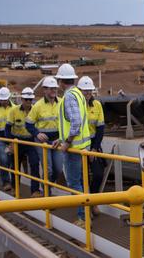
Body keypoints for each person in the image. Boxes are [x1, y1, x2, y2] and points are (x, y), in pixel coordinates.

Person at [54, 63, 91, 227]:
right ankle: (87, 212)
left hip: (74, 149)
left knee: (75, 184)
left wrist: (67, 143)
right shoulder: (78, 94)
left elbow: (75, 123)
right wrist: (61, 139)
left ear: (61, 81)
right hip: (82, 147)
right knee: (82, 183)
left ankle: (83, 218)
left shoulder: (69, 96)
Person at [26, 76, 64, 192]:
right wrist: (37, 134)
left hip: (57, 140)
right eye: (50, 88)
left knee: (58, 168)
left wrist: (62, 137)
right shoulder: (37, 106)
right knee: (48, 169)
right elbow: (28, 124)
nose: (54, 90)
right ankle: (47, 193)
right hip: (43, 141)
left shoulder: (62, 102)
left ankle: (46, 185)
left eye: (55, 88)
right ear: (44, 90)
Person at [77, 76, 106, 213]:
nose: (88, 93)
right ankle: (85, 207)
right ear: (79, 91)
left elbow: (100, 129)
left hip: (93, 145)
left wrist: (94, 149)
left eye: (89, 91)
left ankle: (93, 202)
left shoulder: (97, 105)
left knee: (98, 174)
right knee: (83, 178)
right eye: (85, 91)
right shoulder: (75, 106)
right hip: (79, 146)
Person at [6, 87, 42, 197]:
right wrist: (10, 143)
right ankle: (15, 187)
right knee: (15, 166)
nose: (28, 102)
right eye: (26, 100)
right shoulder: (13, 111)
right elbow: (7, 128)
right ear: (22, 99)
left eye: (30, 100)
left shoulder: (35, 110)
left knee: (35, 163)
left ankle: (34, 190)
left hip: (31, 142)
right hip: (17, 141)